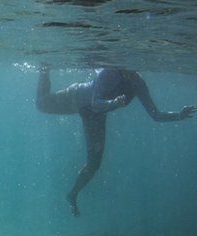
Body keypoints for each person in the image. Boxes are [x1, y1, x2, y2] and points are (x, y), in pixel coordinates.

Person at [36, 65, 195, 217]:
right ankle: (45, 67)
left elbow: (155, 115)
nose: (130, 72)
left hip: (96, 115)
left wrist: (178, 115)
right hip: (77, 98)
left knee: (94, 164)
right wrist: (114, 103)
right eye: (127, 69)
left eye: (133, 70)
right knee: (41, 104)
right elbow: (95, 103)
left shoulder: (138, 83)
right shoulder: (109, 71)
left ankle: (72, 194)